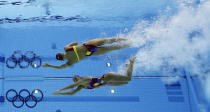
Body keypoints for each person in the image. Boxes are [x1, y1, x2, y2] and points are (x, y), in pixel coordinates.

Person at [52, 57, 136, 95]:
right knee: (126, 82)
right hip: (107, 83)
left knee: (128, 79)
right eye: (74, 79)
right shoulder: (82, 86)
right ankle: (127, 66)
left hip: (107, 77)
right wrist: (60, 94)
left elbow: (72, 86)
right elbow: (72, 93)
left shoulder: (84, 79)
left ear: (79, 77)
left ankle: (131, 62)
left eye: (76, 78)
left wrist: (59, 90)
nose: (75, 80)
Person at [43, 37, 129, 69]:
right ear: (61, 54)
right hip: (88, 44)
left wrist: (49, 66)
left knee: (112, 48)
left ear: (62, 59)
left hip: (91, 52)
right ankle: (126, 39)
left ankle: (129, 44)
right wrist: (75, 45)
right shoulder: (66, 49)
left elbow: (60, 67)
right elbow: (75, 41)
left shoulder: (70, 62)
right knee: (110, 40)